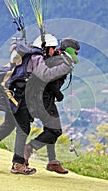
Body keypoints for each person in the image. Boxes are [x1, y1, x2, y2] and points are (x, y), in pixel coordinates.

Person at [0, 34, 74, 175]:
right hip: (19, 97)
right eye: (51, 48)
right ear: (45, 48)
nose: (53, 51)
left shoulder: (28, 53)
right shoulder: (36, 57)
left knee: (8, 125)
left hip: (12, 94)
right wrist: (65, 66)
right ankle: (18, 165)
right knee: (23, 129)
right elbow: (46, 75)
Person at [24, 37, 80, 174]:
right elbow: (51, 80)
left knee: (50, 129)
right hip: (44, 99)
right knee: (55, 131)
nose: (77, 55)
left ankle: (52, 161)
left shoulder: (56, 57)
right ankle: (29, 148)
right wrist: (59, 94)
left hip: (41, 97)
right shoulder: (62, 61)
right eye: (76, 52)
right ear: (70, 50)